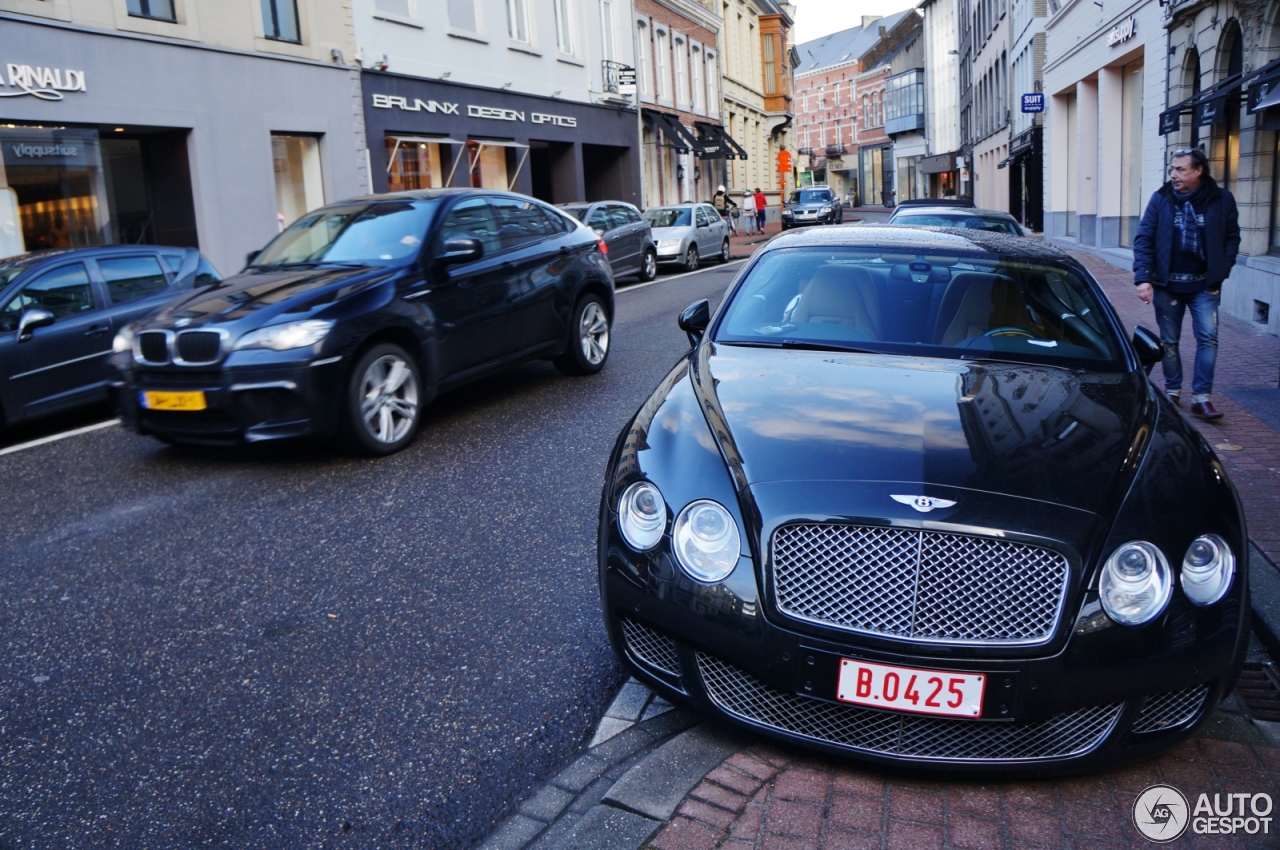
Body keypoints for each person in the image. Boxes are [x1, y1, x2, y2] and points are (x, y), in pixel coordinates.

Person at [1134, 147, 1239, 420]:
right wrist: (1143, 277)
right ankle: (1173, 391)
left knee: (1208, 338)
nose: (1174, 175)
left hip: (1205, 285)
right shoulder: (1162, 199)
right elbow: (1145, 237)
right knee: (1169, 341)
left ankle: (1201, 398)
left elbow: (1231, 238)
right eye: (1172, 169)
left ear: (1198, 171)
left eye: (1181, 169)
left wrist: (1222, 268)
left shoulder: (1222, 200)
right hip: (1167, 285)